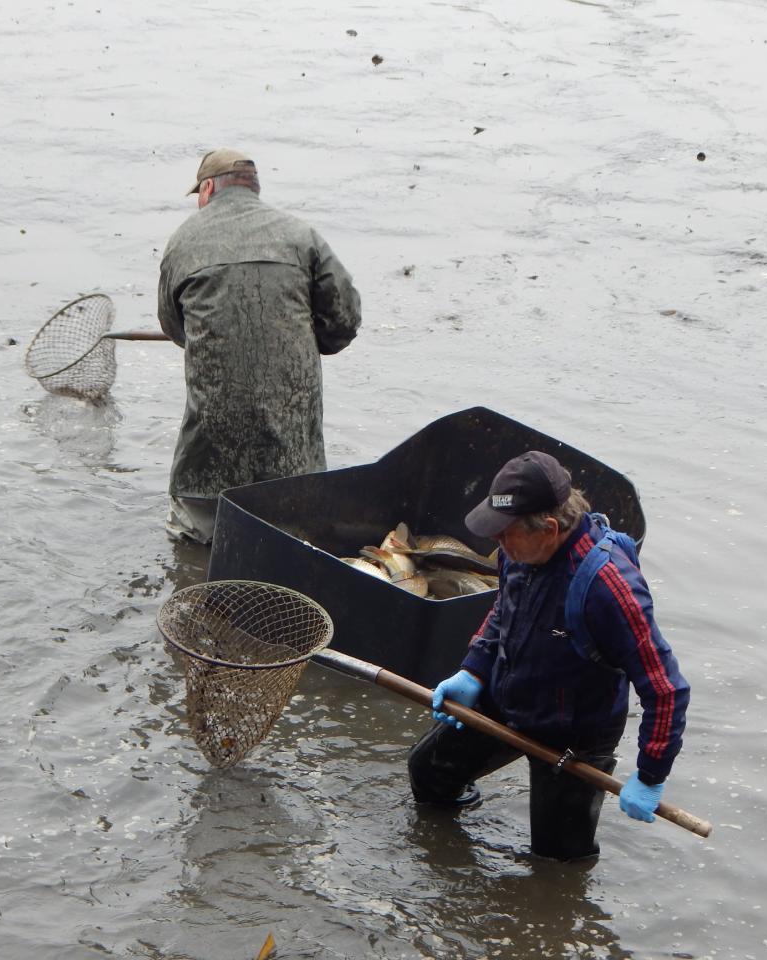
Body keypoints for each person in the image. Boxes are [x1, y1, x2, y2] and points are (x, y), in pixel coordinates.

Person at [407, 450, 690, 862]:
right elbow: (503, 611)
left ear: (549, 529)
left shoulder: (610, 587)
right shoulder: (517, 552)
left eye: (505, 534)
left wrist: (650, 773)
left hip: (574, 734)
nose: (497, 543)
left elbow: (665, 689)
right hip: (510, 698)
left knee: (558, 859)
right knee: (428, 774)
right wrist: (474, 669)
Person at [157, 148, 362, 543]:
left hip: (208, 458)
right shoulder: (301, 236)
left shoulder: (182, 241)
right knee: (292, 540)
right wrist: (311, 339)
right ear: (253, 187)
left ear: (208, 188)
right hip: (292, 457)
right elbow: (344, 320)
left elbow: (174, 327)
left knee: (196, 545)